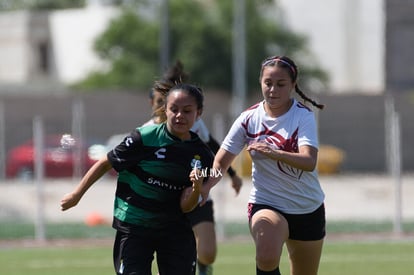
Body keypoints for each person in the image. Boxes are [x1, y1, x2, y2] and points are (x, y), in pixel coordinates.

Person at [60, 83, 214, 275]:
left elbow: (186, 206)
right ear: (164, 110)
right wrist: (77, 194)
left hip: (174, 229)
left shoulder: (202, 154)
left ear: (198, 113)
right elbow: (105, 163)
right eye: (174, 109)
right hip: (135, 225)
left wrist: (197, 187)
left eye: (187, 110)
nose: (179, 115)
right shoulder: (144, 138)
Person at [200, 55, 326, 275]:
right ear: (260, 82)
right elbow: (220, 162)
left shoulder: (302, 116)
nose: (273, 90)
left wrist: (274, 153)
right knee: (266, 256)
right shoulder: (248, 119)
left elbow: (309, 161)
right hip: (267, 203)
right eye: (268, 83)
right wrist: (205, 186)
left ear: (293, 86)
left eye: (280, 84)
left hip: (307, 208)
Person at [143, 61, 243, 275]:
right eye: (160, 102)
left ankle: (202, 264)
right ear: (152, 103)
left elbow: (214, 147)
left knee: (207, 253)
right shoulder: (145, 133)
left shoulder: (192, 125)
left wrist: (232, 175)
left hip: (195, 194)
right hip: (164, 202)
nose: (165, 108)